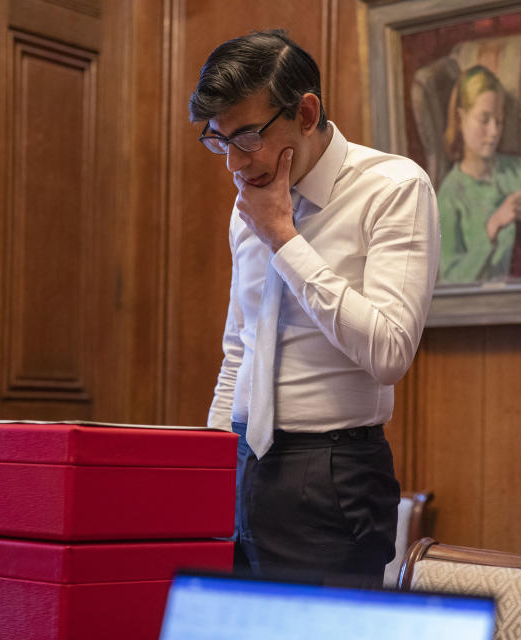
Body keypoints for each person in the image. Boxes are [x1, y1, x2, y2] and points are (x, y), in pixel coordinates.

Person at [191, 30, 440, 586]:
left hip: (332, 474)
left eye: (249, 137)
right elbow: (241, 350)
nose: (234, 162)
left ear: (306, 112)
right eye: (220, 140)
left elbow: (389, 352)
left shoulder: (393, 187)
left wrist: (284, 238)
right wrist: (207, 470)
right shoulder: (247, 204)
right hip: (239, 464)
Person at [437, 65, 521, 284]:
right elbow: (449, 280)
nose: (494, 131)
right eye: (484, 120)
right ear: (461, 119)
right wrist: (492, 228)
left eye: (499, 120)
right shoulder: (449, 195)